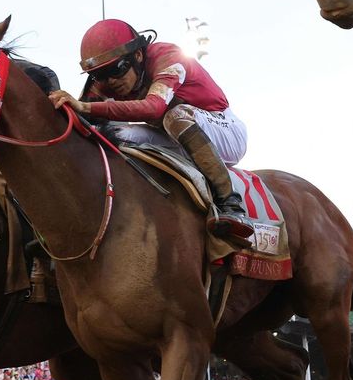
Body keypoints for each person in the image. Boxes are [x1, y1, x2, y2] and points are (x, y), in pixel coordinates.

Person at [51, 19, 253, 243]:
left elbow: (153, 107)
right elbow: (79, 120)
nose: (110, 81)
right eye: (101, 75)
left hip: (224, 131)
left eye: (117, 69)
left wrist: (87, 107)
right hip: (171, 135)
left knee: (175, 116)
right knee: (105, 132)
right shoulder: (105, 81)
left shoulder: (169, 57)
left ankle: (230, 203)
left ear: (137, 55)